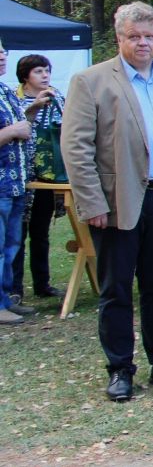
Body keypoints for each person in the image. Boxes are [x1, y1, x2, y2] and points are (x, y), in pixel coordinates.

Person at [60, 2, 153, 401]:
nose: (142, 43)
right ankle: (120, 367)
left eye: (149, 36)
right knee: (116, 288)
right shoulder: (90, 81)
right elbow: (76, 149)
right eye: (134, 36)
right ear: (119, 38)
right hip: (116, 202)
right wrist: (93, 204)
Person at [16, 54, 67, 302]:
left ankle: (42, 283)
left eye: (47, 70)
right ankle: (15, 287)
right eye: (38, 71)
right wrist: (33, 108)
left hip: (46, 176)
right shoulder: (14, 98)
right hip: (20, 175)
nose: (45, 75)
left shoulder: (57, 96)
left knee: (41, 231)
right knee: (17, 232)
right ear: (25, 76)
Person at [0, 39, 35, 323]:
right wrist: (11, 131)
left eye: (3, 51)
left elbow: (21, 128)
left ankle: (7, 298)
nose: (1, 56)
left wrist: (31, 113)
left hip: (15, 184)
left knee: (11, 245)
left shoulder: (5, 91)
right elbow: (12, 131)